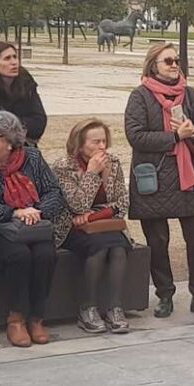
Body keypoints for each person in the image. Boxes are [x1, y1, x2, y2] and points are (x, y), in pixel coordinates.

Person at [125, 42, 194, 319]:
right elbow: (135, 136)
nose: (175, 65)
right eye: (168, 61)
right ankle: (164, 294)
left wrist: (193, 132)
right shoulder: (140, 96)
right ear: (153, 65)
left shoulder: (190, 94)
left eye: (176, 60)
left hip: (186, 177)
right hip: (154, 178)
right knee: (157, 240)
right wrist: (174, 137)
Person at [0, 111, 64, 348]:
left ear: (9, 142)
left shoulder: (33, 158)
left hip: (31, 226)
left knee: (45, 253)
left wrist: (37, 211)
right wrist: (14, 212)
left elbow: (54, 192)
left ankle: (37, 317)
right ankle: (16, 318)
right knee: (18, 255)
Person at [52, 119, 131, 334]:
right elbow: (76, 205)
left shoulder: (113, 163)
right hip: (71, 227)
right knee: (99, 247)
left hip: (101, 223)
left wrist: (94, 216)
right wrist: (91, 174)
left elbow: (122, 203)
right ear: (80, 144)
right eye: (95, 142)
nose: (102, 147)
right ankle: (88, 308)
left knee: (118, 246)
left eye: (104, 141)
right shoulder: (63, 167)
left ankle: (115, 307)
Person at [0, 41, 48, 146]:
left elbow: (39, 123)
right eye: (7, 58)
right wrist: (21, 125)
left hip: (27, 147)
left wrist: (8, 126)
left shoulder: (27, 84)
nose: (14, 62)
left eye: (15, 57)